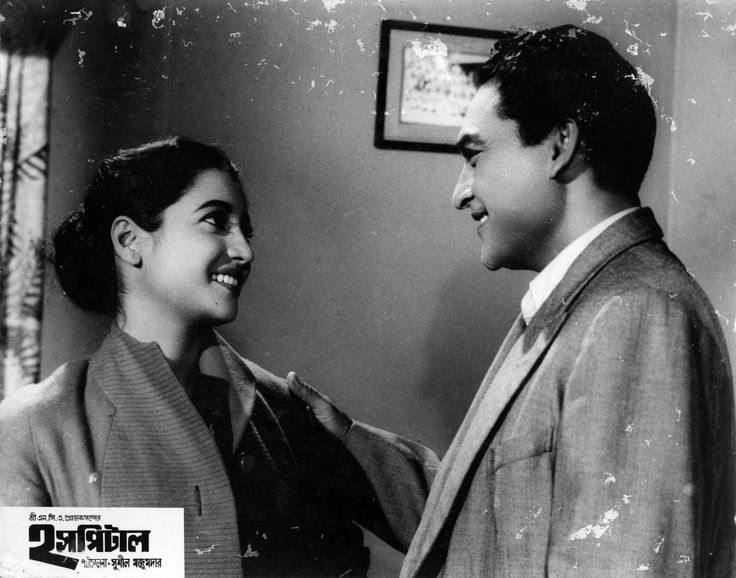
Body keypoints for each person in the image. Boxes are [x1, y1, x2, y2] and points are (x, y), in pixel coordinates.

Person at [288, 24, 736, 576]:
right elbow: (496, 523)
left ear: (560, 146)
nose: (460, 192)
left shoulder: (635, 314)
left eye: (475, 156)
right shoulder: (590, 302)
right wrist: (346, 445)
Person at [0, 137, 385, 577]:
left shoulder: (287, 414)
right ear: (130, 240)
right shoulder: (33, 429)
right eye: (216, 221)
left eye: (245, 229)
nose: (244, 251)